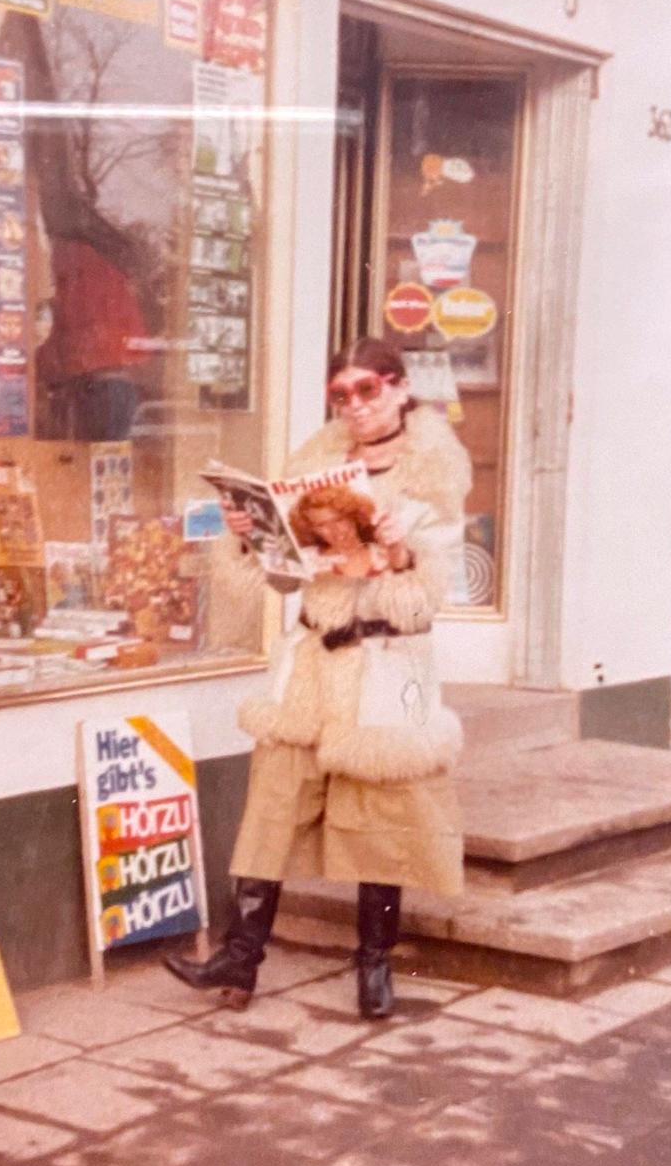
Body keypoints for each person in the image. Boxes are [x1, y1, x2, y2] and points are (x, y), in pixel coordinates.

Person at [163, 336, 472, 1018]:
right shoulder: (319, 461)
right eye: (342, 395)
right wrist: (249, 532)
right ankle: (239, 963)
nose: (355, 406)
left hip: (383, 663)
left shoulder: (434, 472)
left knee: (380, 819)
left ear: (397, 388)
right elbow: (277, 575)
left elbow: (425, 598)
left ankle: (374, 968)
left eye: (367, 389)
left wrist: (396, 548)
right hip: (312, 660)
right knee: (272, 804)